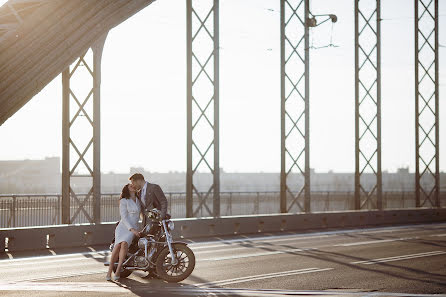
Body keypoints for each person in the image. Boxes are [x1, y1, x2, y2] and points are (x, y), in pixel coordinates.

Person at [106, 183, 142, 281]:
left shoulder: (138, 200)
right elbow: (124, 217)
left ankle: (118, 270)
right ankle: (109, 271)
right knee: (117, 246)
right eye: (130, 186)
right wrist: (132, 229)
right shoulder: (123, 200)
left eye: (134, 185)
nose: (133, 186)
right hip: (124, 227)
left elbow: (141, 214)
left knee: (125, 244)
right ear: (127, 189)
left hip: (134, 226)